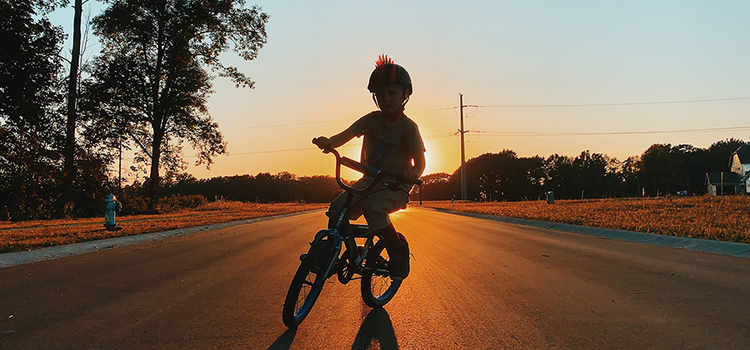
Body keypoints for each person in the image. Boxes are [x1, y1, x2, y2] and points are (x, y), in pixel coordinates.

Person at [312, 55, 426, 280]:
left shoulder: (409, 128)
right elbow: (347, 134)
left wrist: (413, 172)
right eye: (380, 95)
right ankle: (330, 251)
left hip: (396, 186)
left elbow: (420, 161)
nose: (386, 99)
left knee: (374, 208)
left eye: (392, 93)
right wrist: (329, 143)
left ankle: (397, 250)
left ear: (405, 95)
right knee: (337, 209)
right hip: (369, 180)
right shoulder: (371, 120)